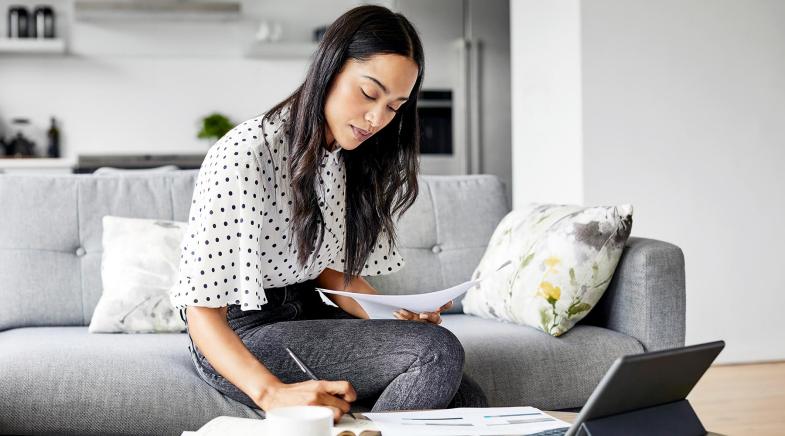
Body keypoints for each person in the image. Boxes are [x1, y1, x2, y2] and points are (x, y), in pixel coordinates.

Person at [169, 4, 488, 424]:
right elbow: (201, 310)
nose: (378, 118)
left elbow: (326, 272)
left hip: (306, 313)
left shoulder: (344, 155)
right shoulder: (247, 153)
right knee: (437, 352)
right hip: (239, 335)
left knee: (467, 396)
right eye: (369, 93)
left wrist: (395, 313)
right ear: (329, 69)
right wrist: (272, 393)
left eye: (395, 106)